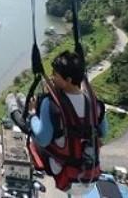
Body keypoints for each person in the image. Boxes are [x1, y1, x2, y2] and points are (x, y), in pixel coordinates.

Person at [7, 50, 107, 195]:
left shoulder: (52, 103)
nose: (52, 77)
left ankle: (15, 104)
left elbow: (43, 138)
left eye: (55, 74)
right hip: (90, 176)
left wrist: (33, 114)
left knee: (30, 125)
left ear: (68, 79)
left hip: (65, 174)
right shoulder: (95, 104)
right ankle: (21, 102)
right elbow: (104, 131)